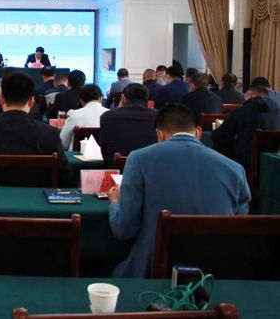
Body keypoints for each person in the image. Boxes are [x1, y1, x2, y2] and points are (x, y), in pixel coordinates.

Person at [108, 104, 250, 278]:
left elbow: (124, 229)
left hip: (152, 271)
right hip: (217, 273)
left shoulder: (138, 159)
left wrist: (115, 202)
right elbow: (239, 226)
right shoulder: (234, 169)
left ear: (159, 134)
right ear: (198, 132)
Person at [0, 71, 67, 185]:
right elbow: (65, 178)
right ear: (31, 102)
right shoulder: (50, 134)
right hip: (35, 195)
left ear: (1, 100)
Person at [211, 83, 280, 171]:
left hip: (245, 165)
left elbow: (218, 137)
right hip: (273, 164)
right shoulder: (277, 111)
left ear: (249, 95)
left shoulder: (241, 111)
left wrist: (219, 127)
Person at [100, 83, 158, 166]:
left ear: (124, 98)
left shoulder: (107, 116)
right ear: (147, 99)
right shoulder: (158, 116)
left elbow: (104, 151)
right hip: (150, 167)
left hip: (116, 168)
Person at [60, 85, 109, 151]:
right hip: (105, 156)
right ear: (101, 99)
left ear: (81, 101)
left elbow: (63, 143)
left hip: (77, 155)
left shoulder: (75, 115)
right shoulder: (111, 115)